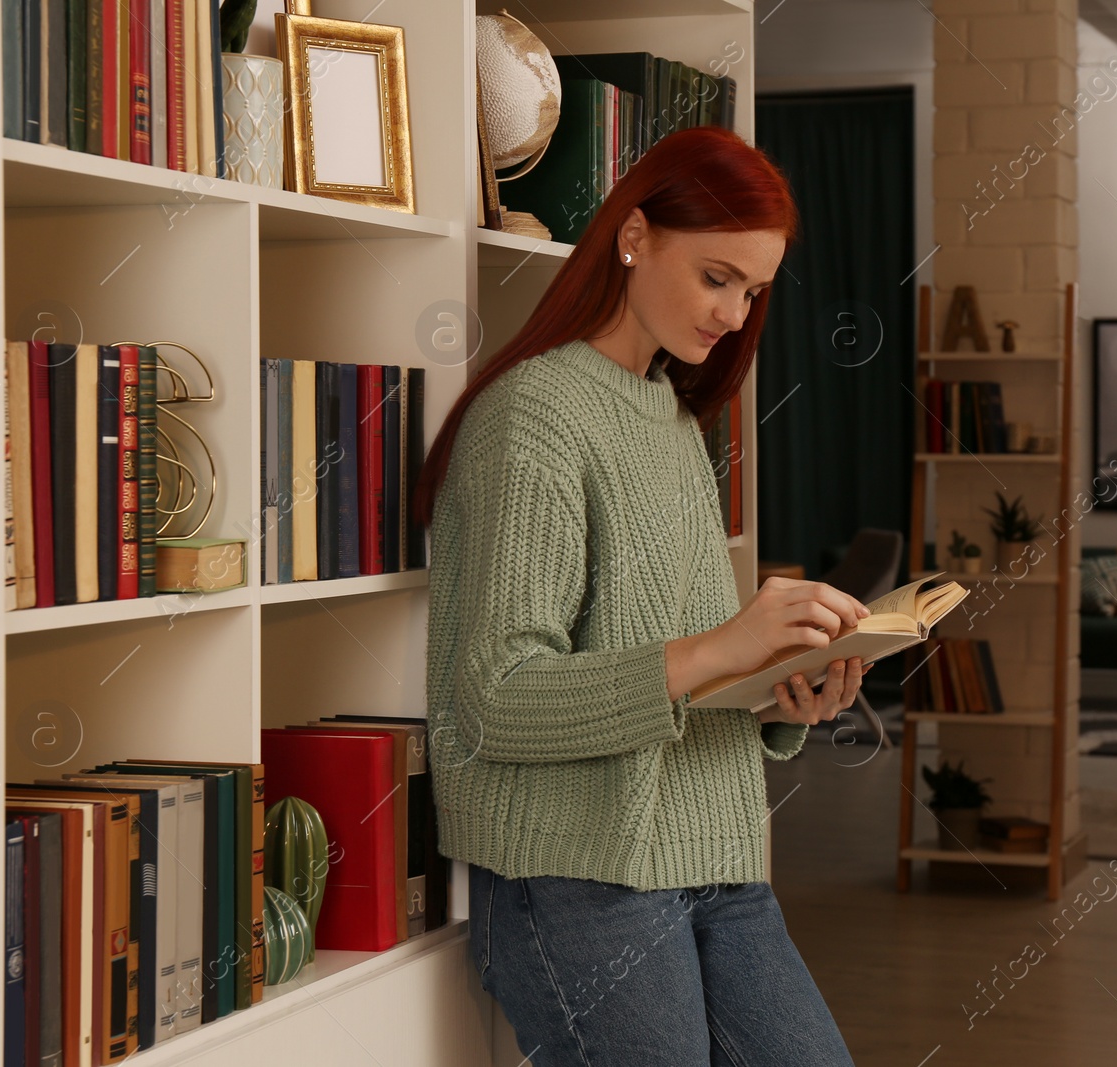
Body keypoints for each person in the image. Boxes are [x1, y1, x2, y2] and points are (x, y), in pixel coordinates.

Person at [414, 126, 864, 1066]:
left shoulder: (671, 417)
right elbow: (494, 698)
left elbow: (682, 670)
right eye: (716, 278)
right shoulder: (531, 418)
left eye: (753, 291)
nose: (735, 316)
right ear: (633, 236)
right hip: (576, 873)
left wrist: (788, 688)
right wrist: (719, 649)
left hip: (715, 857)